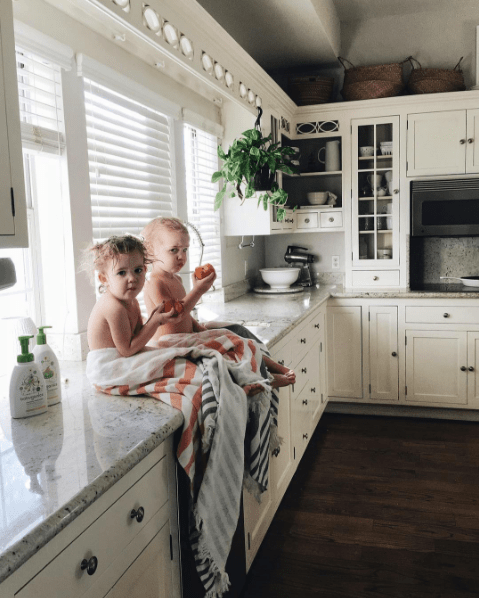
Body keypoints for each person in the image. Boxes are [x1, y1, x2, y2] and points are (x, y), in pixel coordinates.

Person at [142, 217, 296, 389]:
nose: (181, 256)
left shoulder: (175, 278)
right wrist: (198, 290)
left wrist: (200, 328)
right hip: (170, 344)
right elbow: (175, 315)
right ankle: (264, 380)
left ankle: (272, 368)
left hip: (186, 338)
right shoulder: (155, 282)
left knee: (235, 339)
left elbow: (186, 316)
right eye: (173, 250)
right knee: (227, 348)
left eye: (185, 249)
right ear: (150, 253)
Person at [85, 234, 178, 357]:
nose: (132, 278)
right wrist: (154, 322)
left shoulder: (132, 302)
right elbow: (127, 350)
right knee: (173, 362)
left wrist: (155, 319)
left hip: (123, 358)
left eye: (138, 270)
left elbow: (138, 337)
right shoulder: (113, 307)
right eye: (121, 273)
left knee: (173, 355)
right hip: (108, 365)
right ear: (104, 279)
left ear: (145, 270)